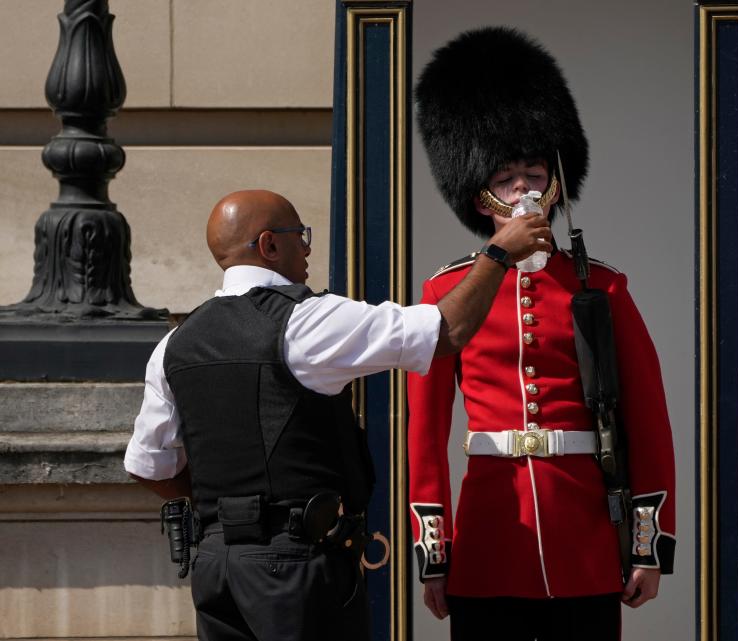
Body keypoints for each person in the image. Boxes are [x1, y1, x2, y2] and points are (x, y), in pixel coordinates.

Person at [123, 188, 552, 641]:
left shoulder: (175, 343)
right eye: (299, 236)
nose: (307, 248)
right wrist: (499, 253)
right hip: (295, 567)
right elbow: (447, 330)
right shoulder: (308, 321)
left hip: (215, 567)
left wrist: (227, 509)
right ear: (269, 245)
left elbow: (147, 466)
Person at [408, 27, 677, 640]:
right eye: (508, 180)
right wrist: (436, 553)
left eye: (534, 175)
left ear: (556, 186)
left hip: (581, 533)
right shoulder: (445, 292)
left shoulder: (603, 287)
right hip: (490, 532)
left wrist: (646, 544)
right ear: (482, 197)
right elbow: (425, 434)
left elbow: (649, 420)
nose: (525, 190)